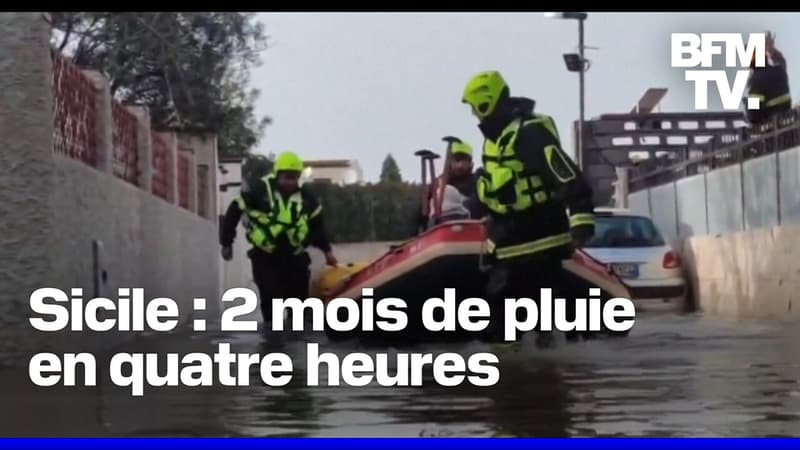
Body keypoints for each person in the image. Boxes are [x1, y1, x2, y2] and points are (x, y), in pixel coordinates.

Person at [460, 70, 596, 346]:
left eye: (476, 107)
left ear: (486, 103)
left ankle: (523, 376)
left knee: (513, 313)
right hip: (510, 240)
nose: (475, 115)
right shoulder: (495, 140)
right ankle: (528, 375)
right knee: (507, 315)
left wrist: (581, 217)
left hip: (538, 240)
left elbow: (567, 175)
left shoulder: (529, 134)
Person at [220, 151, 338, 325]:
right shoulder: (259, 190)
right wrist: (226, 242)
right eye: (286, 177)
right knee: (271, 303)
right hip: (265, 257)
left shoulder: (307, 198)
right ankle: (271, 346)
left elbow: (317, 227)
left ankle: (296, 345)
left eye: (294, 177)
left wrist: (327, 252)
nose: (290, 182)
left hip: (295, 258)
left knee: (298, 309)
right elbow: (234, 211)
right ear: (278, 175)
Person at [416, 139, 485, 232]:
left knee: (447, 192)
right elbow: (422, 210)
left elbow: (478, 204)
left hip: (469, 225)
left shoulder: (476, 181)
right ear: (450, 162)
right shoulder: (438, 183)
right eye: (457, 160)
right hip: (438, 228)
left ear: (471, 164)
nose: (460, 165)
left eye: (464, 161)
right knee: (441, 192)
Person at [746, 31, 791, 128]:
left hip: (771, 126)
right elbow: (780, 62)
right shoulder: (779, 70)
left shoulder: (757, 79)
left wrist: (749, 113)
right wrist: (771, 50)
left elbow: (754, 115)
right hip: (787, 120)